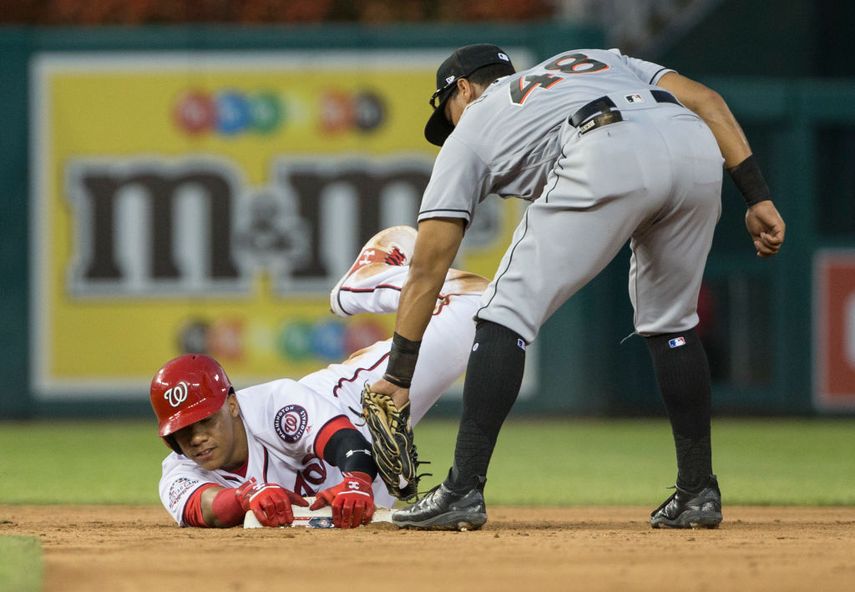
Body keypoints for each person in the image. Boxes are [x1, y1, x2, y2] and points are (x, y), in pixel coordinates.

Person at [369, 44, 786, 531]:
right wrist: (757, 197)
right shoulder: (597, 59)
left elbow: (428, 266)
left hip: (605, 143)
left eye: (448, 114)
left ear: (463, 89)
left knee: (503, 311)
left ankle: (461, 491)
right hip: (694, 145)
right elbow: (707, 101)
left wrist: (399, 375)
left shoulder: (474, 125)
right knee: (672, 323)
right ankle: (697, 491)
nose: (452, 127)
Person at [150, 226, 488, 528]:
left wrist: (357, 480)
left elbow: (344, 439)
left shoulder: (271, 404)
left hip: (360, 400)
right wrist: (243, 498)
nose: (197, 438)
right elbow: (204, 507)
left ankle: (366, 281)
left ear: (232, 405)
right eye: (183, 431)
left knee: (476, 306)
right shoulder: (178, 473)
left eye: (205, 421)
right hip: (362, 499)